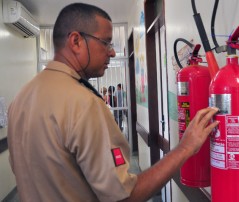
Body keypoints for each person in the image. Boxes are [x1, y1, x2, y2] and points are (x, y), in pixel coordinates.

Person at [7, 3, 220, 202]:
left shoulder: (21, 98)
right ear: (76, 41)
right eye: (106, 42)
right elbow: (124, 196)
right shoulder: (83, 103)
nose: (112, 52)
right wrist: (185, 148)